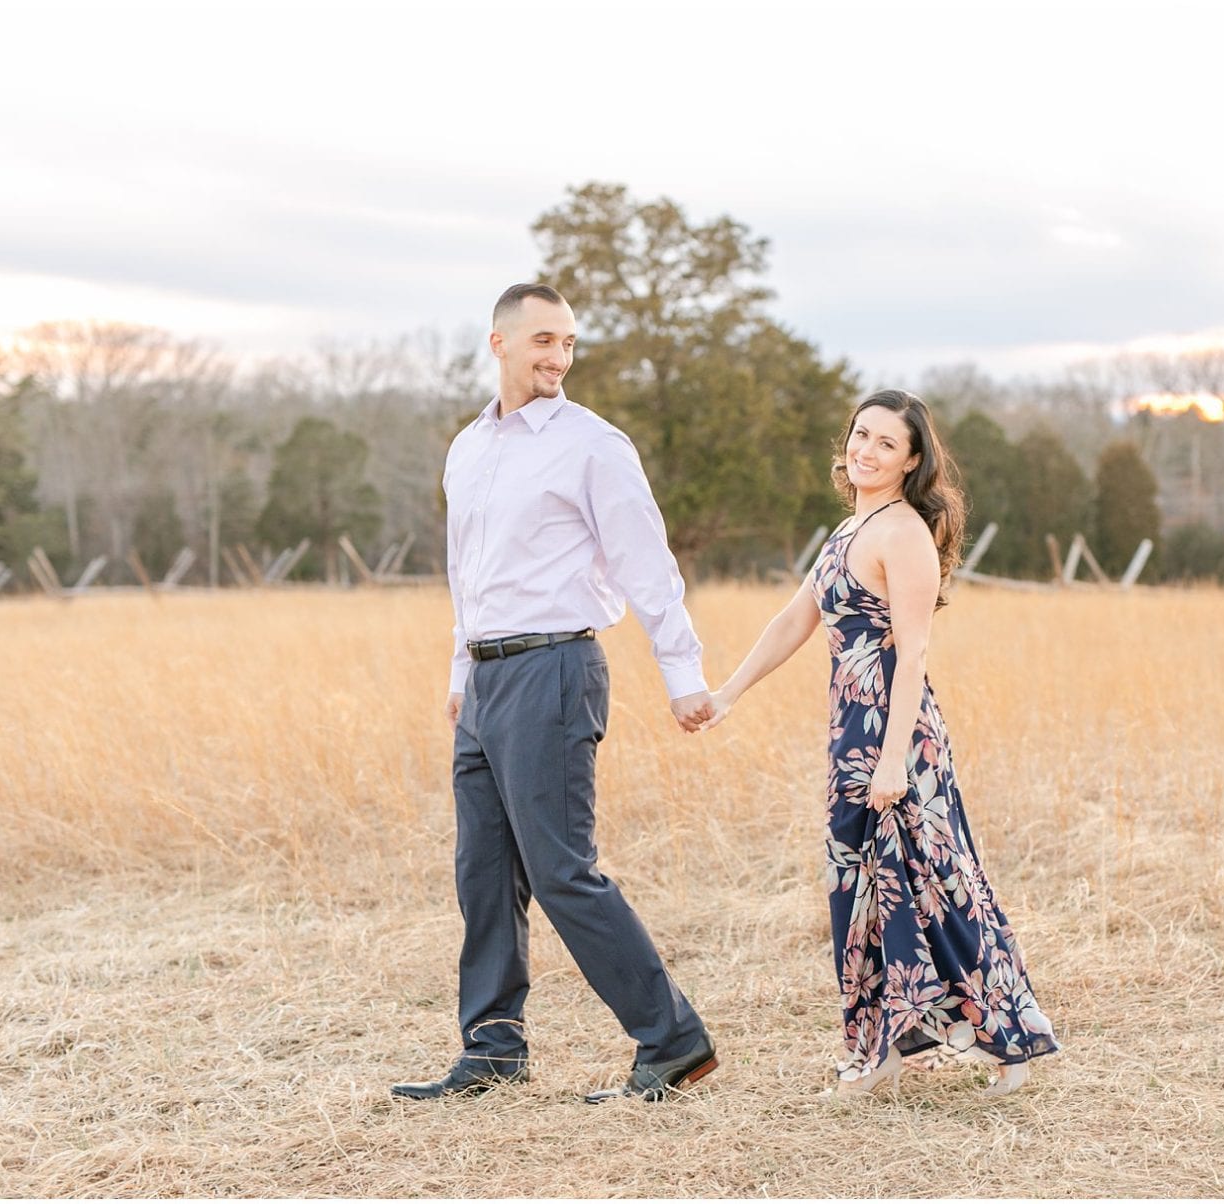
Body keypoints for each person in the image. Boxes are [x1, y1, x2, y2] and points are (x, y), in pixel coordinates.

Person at [392, 283, 719, 1104]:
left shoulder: (593, 445)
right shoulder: (467, 448)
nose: (558, 357)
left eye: (568, 343)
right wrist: (461, 676)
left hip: (556, 669)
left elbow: (649, 567)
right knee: (483, 871)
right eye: (543, 340)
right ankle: (493, 1045)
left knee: (562, 869)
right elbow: (468, 575)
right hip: (488, 678)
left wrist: (684, 676)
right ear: (498, 342)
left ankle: (672, 1040)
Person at [700, 389, 1058, 1098]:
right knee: (857, 890)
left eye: (885, 443)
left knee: (935, 886)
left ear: (912, 460)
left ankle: (1010, 1043)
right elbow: (793, 621)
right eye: (860, 435)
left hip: (901, 738)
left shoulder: (903, 535)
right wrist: (728, 693)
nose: (865, 450)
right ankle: (881, 1051)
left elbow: (913, 657)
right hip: (851, 733)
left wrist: (893, 760)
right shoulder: (846, 532)